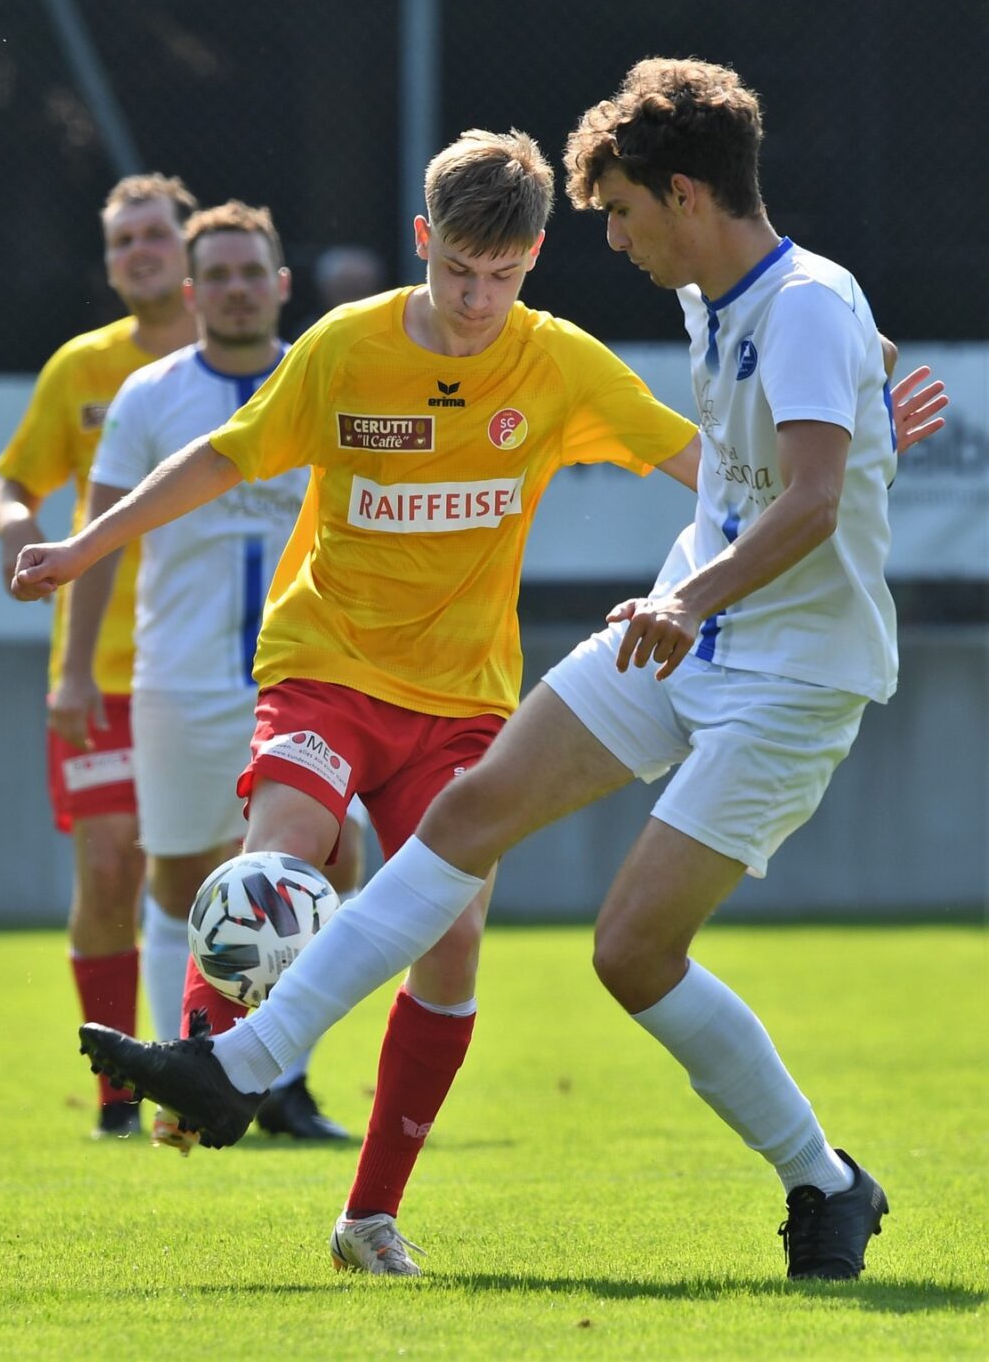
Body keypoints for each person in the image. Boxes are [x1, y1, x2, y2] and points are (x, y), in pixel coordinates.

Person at [66, 63, 946, 1283]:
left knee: (630, 951)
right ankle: (237, 1064)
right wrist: (858, 397)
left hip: (784, 671)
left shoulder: (799, 304)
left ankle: (827, 1179)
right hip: (675, 632)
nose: (614, 239)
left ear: (686, 195)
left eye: (622, 211)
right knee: (468, 818)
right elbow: (810, 397)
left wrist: (692, 591)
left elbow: (808, 501)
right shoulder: (731, 299)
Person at [12, 126, 707, 1269]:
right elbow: (227, 454)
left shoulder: (562, 363)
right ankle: (200, 1054)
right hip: (326, 666)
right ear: (424, 240)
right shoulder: (346, 346)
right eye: (457, 270)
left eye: (502, 276)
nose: (476, 300)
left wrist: (834, 470)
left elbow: (709, 465)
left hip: (464, 701)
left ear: (535, 255)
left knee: (454, 935)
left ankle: (369, 1215)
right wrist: (87, 546)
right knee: (279, 856)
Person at [62, 198, 361, 1149]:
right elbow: (101, 538)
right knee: (181, 880)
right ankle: (187, 1073)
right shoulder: (149, 395)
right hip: (179, 681)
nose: (237, 289)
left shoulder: (329, 380)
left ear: (281, 284)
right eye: (219, 274)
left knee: (328, 865)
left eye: (252, 272)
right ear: (193, 292)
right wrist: (75, 670)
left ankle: (286, 1082)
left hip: (307, 676)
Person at [0, 172, 199, 1138]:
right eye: (121, 241)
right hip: (103, 669)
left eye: (153, 234)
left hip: (219, 668)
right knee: (112, 866)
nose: (138, 252)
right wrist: (15, 524)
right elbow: (12, 485)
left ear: (188, 244)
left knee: (214, 876)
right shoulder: (81, 368)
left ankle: (238, 1072)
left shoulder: (237, 363)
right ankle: (119, 1089)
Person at [291, 244, 386, 338]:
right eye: (345, 286)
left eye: (361, 286)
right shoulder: (310, 333)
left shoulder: (389, 329)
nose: (353, 296)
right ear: (325, 288)